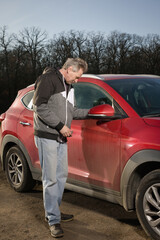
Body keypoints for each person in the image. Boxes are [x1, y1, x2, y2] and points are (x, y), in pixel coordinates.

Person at [33, 58, 88, 238]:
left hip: (61, 137)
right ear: (69, 69)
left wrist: (95, 111)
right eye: (77, 76)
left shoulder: (69, 86)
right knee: (50, 179)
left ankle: (54, 211)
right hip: (47, 135)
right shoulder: (47, 80)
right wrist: (60, 126)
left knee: (61, 175)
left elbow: (72, 112)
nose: (78, 81)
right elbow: (39, 107)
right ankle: (53, 219)